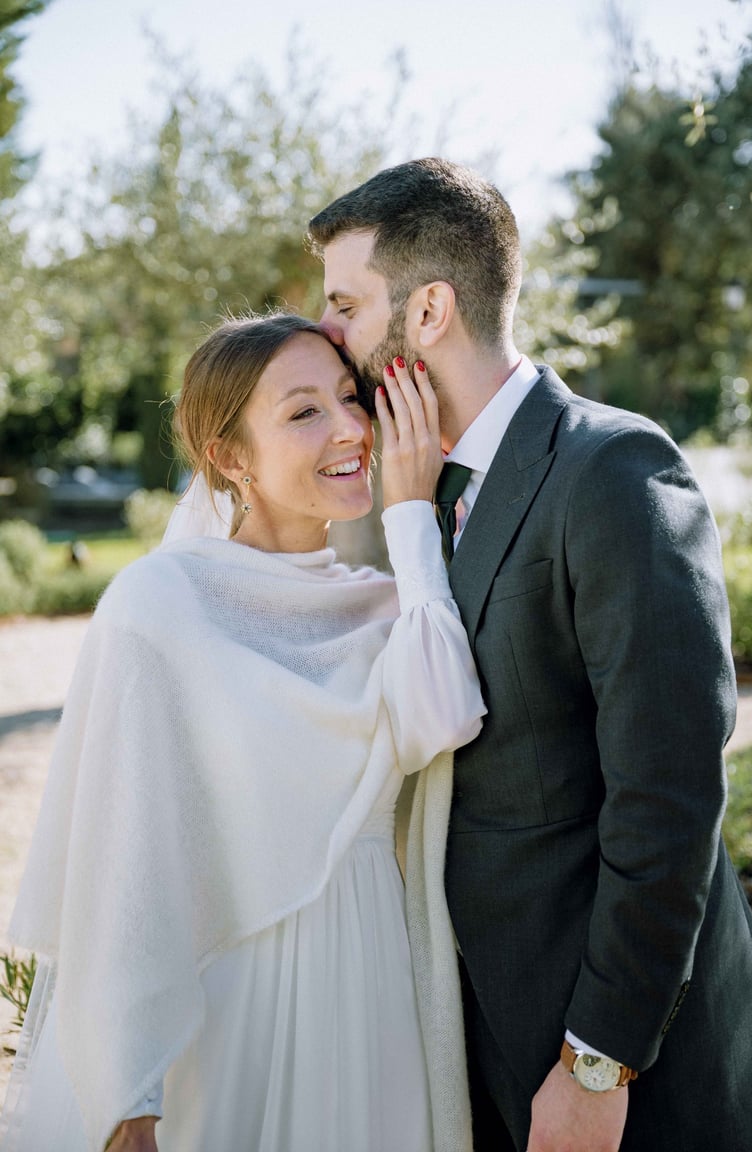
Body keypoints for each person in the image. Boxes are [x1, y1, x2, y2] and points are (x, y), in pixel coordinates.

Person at [307, 158, 752, 1152]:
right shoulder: (414, 489)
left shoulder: (613, 470)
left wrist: (599, 1060)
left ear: (429, 311)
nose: (325, 332)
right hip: (478, 1047)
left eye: (345, 305)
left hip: (624, 1071)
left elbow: (669, 794)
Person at [0, 313, 486, 1152]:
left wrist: (411, 516)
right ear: (230, 457)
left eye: (349, 398)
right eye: (303, 412)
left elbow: (444, 714)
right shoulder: (159, 607)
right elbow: (125, 867)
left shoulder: (390, 606)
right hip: (232, 1020)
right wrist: (127, 1101)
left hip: (372, 1013)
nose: (349, 429)